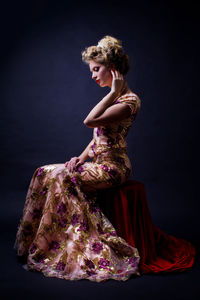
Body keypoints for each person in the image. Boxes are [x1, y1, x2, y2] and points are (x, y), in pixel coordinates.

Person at [14, 35, 142, 282]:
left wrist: (113, 92)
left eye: (97, 69)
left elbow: (90, 122)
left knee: (61, 177)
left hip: (114, 168)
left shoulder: (129, 100)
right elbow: (98, 137)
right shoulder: (115, 98)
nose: (93, 76)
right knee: (44, 171)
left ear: (112, 68)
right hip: (97, 162)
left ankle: (60, 246)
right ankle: (36, 242)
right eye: (91, 70)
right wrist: (81, 158)